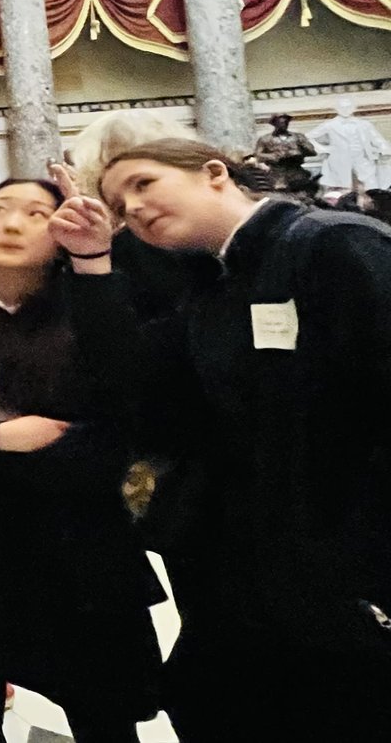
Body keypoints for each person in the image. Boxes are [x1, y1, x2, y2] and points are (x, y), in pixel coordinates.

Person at [99, 139, 391, 740]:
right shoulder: (215, 284)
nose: (134, 209)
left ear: (213, 173)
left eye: (144, 184)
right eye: (121, 207)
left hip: (353, 569)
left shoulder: (330, 245)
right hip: (276, 568)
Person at [0, 173, 164, 742]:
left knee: (101, 714)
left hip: (75, 556)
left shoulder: (88, 314)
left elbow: (114, 436)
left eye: (38, 213)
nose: (13, 223)